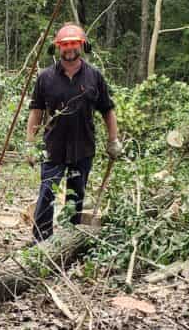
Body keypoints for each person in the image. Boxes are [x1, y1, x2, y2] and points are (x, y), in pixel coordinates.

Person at [25, 23, 121, 241]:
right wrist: (30, 144)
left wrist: (113, 140)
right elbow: (36, 112)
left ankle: (69, 240)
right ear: (58, 47)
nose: (69, 49)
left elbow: (107, 109)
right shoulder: (45, 77)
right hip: (53, 147)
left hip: (83, 147)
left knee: (76, 196)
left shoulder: (94, 76)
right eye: (65, 45)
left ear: (82, 46)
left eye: (73, 44)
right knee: (47, 194)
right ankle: (42, 240)